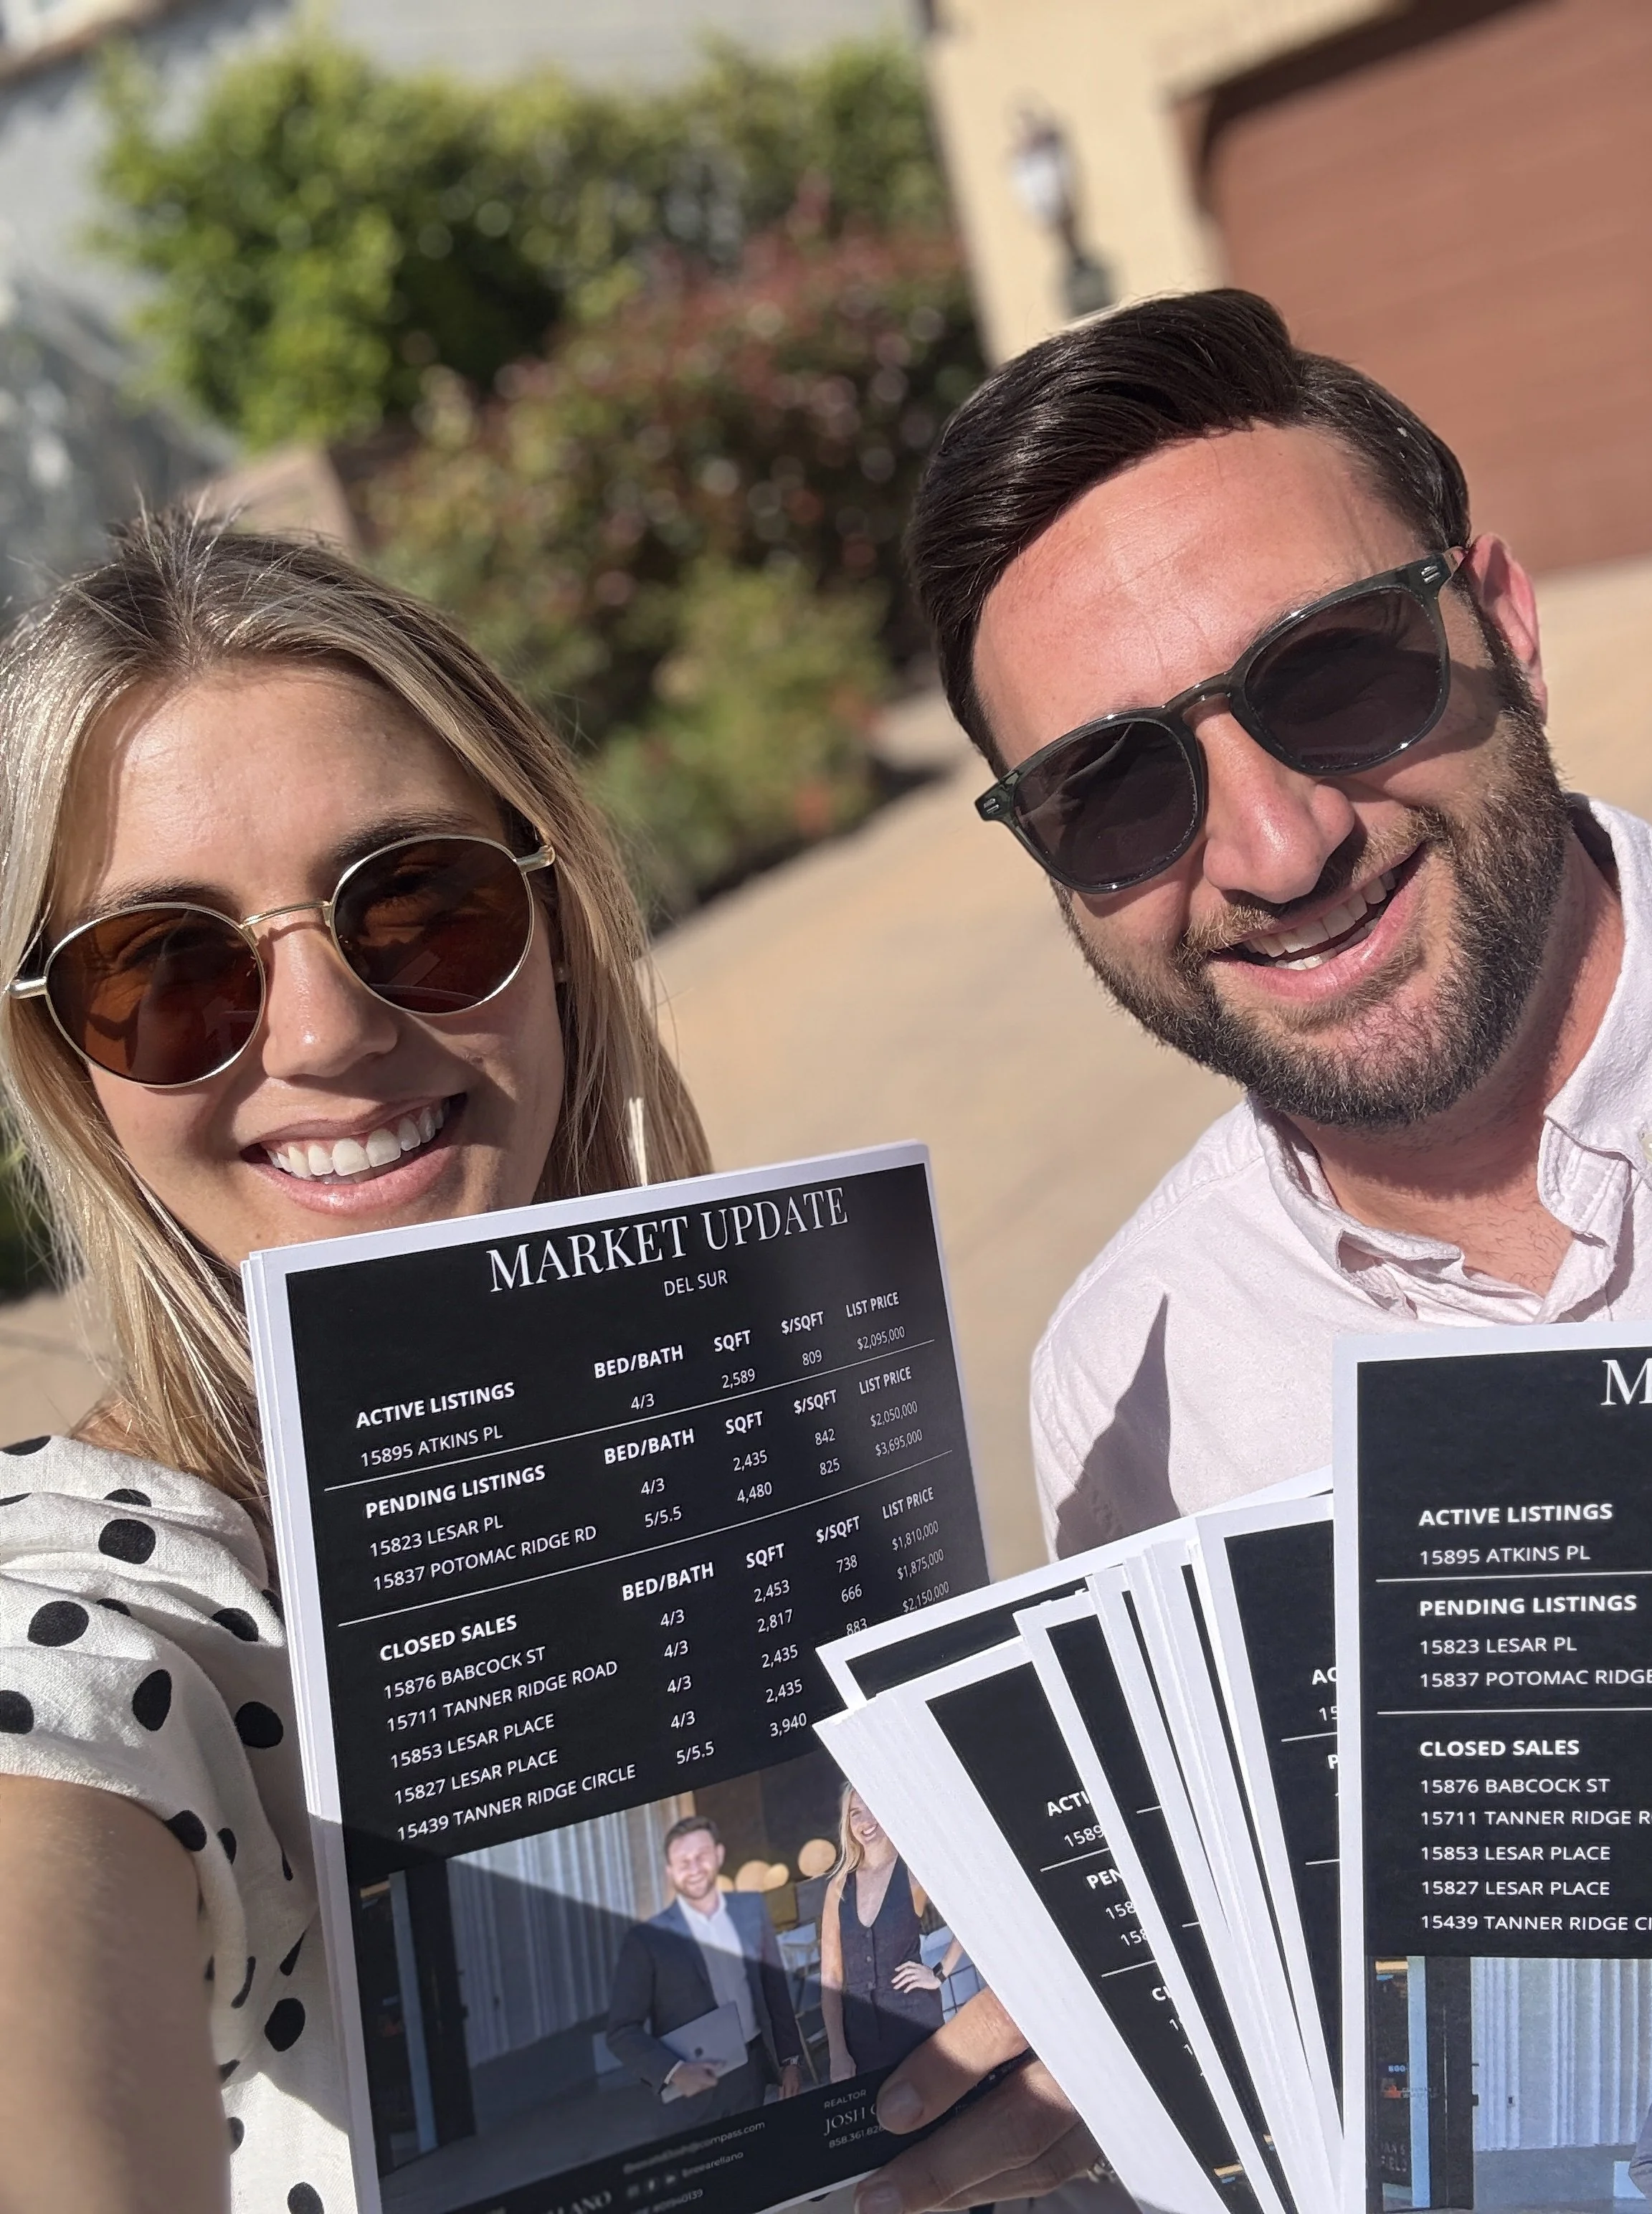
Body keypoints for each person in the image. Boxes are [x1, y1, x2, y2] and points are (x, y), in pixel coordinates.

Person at [850, 284, 1652, 2211]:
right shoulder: (1132, 1377)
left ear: (1505, 624)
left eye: (1334, 673)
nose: (1278, 849)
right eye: (1116, 790)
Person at [0, 510, 708, 2211]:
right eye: (164, 971)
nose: (324, 1032)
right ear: (61, 1061)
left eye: (417, 903)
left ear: (556, 924)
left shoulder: (740, 1416)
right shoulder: (102, 1622)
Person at [605, 1814, 803, 2119]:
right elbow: (622, 2031)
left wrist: (791, 2060)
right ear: (670, 1872)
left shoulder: (750, 1911)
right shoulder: (646, 1940)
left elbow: (775, 1991)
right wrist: (674, 2072)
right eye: (683, 1862)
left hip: (752, 2073)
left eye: (702, 1856)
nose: (694, 1868)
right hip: (693, 2091)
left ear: (719, 1855)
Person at [820, 1786, 964, 2081]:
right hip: (859, 2039)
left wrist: (939, 1973)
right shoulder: (838, 1889)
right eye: (854, 1814)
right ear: (847, 1825)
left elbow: (972, 1913)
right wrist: (837, 2053)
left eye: (871, 1807)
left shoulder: (914, 1872)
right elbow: (831, 1979)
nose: (865, 1821)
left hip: (917, 2026)